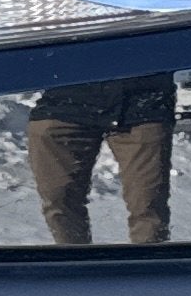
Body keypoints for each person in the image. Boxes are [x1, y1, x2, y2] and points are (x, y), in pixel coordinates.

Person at [24, 75, 177, 245]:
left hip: (142, 102)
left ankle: (147, 267)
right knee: (58, 198)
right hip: (64, 101)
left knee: (148, 202)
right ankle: (74, 265)